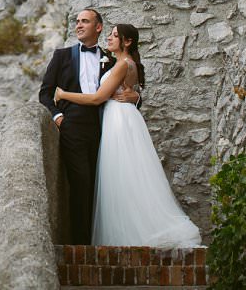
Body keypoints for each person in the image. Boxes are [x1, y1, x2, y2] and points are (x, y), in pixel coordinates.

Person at [55, 23, 201, 248]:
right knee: (127, 175)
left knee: (120, 175)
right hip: (122, 117)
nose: (110, 39)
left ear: (127, 41)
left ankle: (131, 234)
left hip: (119, 121)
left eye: (115, 36)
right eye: (111, 35)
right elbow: (128, 91)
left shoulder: (123, 64)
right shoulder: (122, 63)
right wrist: (135, 96)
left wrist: (64, 94)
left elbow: (97, 98)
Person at [37, 9, 138, 244]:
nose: (79, 25)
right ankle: (82, 244)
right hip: (72, 127)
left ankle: (106, 239)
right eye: (77, 21)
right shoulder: (62, 56)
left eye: (85, 21)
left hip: (106, 128)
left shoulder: (111, 58)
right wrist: (57, 116)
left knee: (103, 184)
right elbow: (45, 93)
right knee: (81, 182)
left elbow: (128, 87)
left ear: (98, 27)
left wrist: (136, 98)